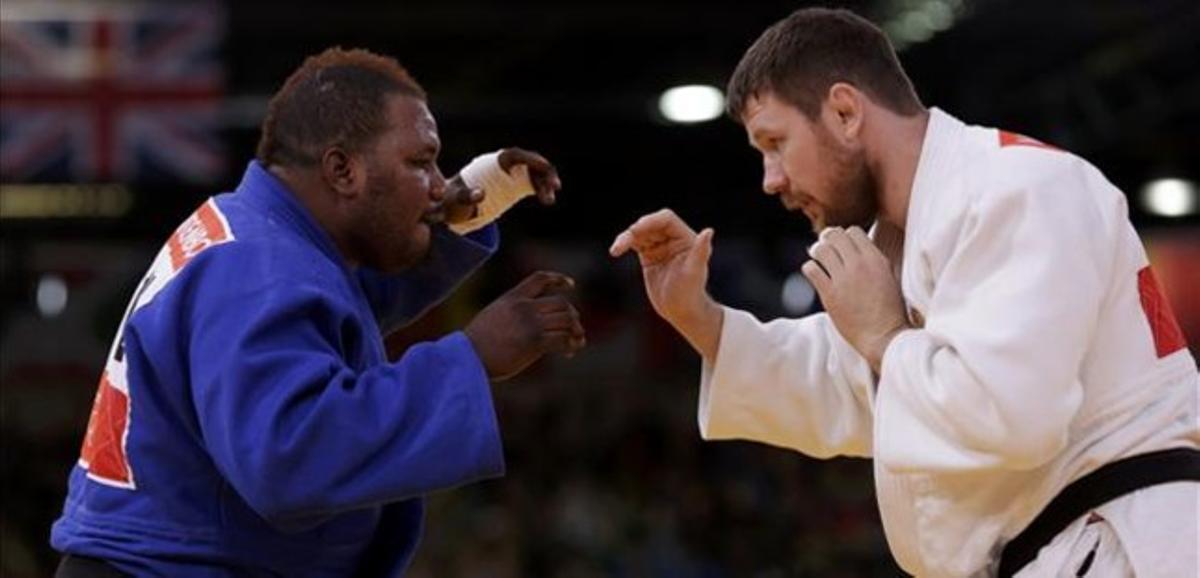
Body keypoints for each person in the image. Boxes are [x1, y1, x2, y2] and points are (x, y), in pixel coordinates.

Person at [610, 8, 1198, 578]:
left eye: (775, 142)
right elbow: (843, 380)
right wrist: (700, 319)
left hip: (1125, 542)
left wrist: (887, 338)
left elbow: (1013, 415)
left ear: (844, 111)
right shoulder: (903, 237)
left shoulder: (1018, 187)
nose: (771, 180)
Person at [50, 47, 585, 577]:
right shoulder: (257, 268)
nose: (439, 185)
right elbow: (288, 457)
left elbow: (345, 304)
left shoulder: (260, 233)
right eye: (420, 162)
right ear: (342, 170)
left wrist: (474, 200)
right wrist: (472, 357)